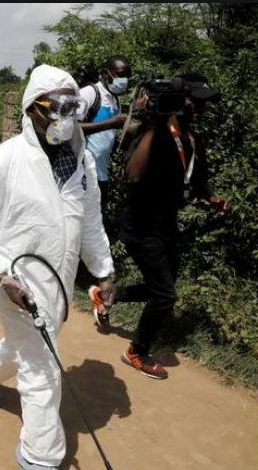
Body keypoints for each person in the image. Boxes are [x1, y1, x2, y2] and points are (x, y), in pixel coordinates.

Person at [0, 64, 115, 470]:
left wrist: (103, 271)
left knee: (24, 349)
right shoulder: (3, 161)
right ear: (33, 109)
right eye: (57, 107)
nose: (66, 117)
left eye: (73, 106)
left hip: (60, 285)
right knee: (43, 366)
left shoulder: (82, 163)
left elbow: (91, 222)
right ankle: (40, 456)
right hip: (18, 283)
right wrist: (2, 274)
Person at [89, 74, 229, 380]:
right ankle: (136, 351)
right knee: (165, 295)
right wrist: (153, 125)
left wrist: (211, 197)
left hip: (165, 224)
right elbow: (134, 173)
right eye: (197, 101)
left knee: (161, 288)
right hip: (140, 225)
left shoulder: (192, 138)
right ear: (181, 101)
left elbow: (198, 176)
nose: (201, 108)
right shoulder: (151, 131)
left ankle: (105, 296)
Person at [79, 55, 131, 208]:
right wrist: (111, 123)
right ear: (105, 73)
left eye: (127, 76)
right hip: (83, 174)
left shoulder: (115, 100)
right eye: (121, 75)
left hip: (101, 175)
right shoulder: (89, 94)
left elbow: (105, 138)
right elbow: (70, 128)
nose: (125, 80)